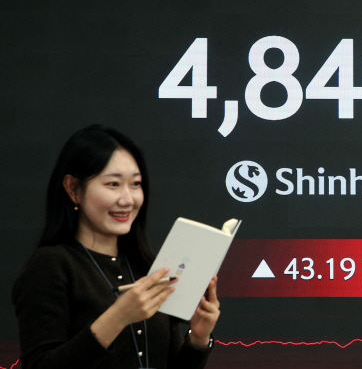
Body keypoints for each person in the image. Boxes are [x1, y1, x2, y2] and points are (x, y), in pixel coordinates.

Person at [12, 125, 220, 369]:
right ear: (72, 188)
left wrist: (198, 339)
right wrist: (118, 316)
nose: (127, 199)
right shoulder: (50, 265)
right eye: (113, 184)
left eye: (136, 184)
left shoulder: (147, 267)